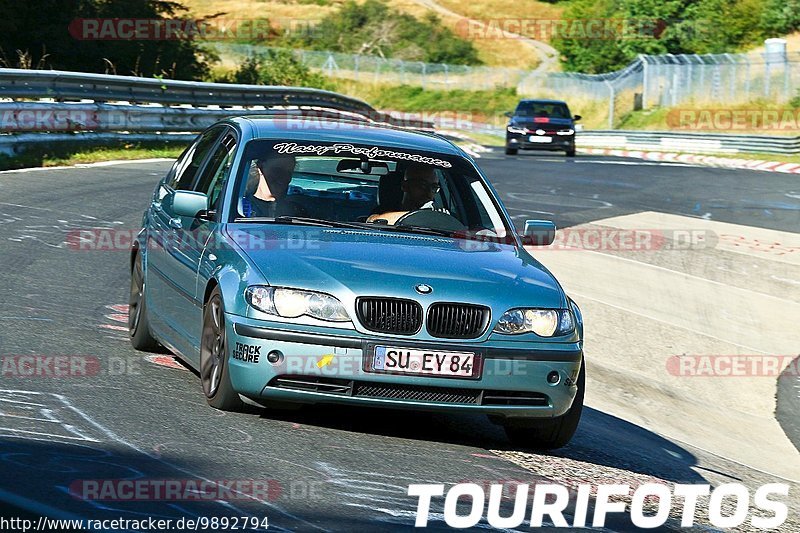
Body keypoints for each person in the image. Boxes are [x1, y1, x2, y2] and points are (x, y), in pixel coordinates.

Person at [367, 164, 444, 224]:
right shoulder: (384, 210)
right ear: (405, 186)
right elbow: (374, 220)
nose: (429, 192)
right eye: (422, 186)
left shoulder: (441, 214)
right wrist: (423, 215)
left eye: (434, 187)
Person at [241, 154, 306, 218]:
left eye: (288, 173)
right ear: (260, 167)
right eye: (277, 171)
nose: (283, 178)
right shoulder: (241, 209)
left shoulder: (296, 212)